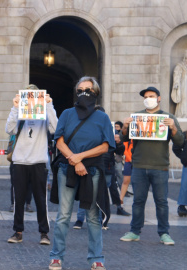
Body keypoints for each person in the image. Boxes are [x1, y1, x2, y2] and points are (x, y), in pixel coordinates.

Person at [49, 77, 114, 270]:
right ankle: (56, 256)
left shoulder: (102, 117)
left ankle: (96, 258)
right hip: (66, 169)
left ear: (96, 93)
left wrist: (80, 158)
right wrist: (74, 159)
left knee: (93, 216)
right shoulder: (67, 114)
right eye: (80, 89)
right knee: (63, 215)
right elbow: (59, 141)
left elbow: (105, 146)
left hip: (92, 169)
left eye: (88, 89)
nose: (84, 92)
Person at [119, 86, 184, 245]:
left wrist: (173, 128)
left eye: (151, 96)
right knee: (138, 201)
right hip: (139, 166)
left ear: (159, 98)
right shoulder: (137, 117)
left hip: (160, 166)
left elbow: (180, 141)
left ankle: (164, 233)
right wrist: (126, 126)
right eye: (146, 96)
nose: (148, 98)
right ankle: (134, 231)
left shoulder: (168, 117)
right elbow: (124, 139)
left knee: (161, 202)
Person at [5, 84, 57, 245]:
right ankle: (18, 231)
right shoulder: (20, 114)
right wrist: (14, 109)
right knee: (18, 199)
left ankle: (44, 233)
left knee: (41, 200)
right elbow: (9, 129)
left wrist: (49, 105)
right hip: (20, 161)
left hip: (38, 162)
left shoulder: (44, 115)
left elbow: (55, 127)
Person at [172, 128, 187, 217]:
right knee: (185, 185)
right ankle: (182, 207)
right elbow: (176, 147)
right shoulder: (186, 134)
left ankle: (182, 207)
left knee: (185, 184)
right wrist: (184, 157)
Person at [171, 50, 187, 118]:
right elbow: (177, 74)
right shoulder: (180, 65)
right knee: (184, 98)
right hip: (184, 84)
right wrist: (176, 83)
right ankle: (183, 114)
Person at [114, 121, 124, 187]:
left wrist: (118, 143)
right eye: (115, 127)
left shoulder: (122, 136)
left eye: (117, 127)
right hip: (111, 157)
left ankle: (123, 189)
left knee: (119, 173)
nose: (116, 128)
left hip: (118, 157)